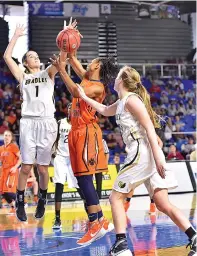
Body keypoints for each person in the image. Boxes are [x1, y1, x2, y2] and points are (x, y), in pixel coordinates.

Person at [76, 66, 197, 256]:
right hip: (146, 153)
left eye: (117, 76)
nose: (114, 78)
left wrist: (158, 158)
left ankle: (121, 245)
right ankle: (194, 237)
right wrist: (83, 97)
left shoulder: (132, 100)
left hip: (142, 152)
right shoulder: (122, 101)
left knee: (115, 197)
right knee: (162, 204)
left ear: (122, 81)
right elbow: (105, 110)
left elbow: (149, 128)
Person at [50, 32, 118, 245]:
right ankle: (100, 221)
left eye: (94, 61)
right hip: (76, 131)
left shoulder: (97, 87)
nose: (90, 63)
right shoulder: (88, 78)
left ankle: (96, 222)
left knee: (84, 178)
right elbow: (72, 57)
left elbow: (75, 91)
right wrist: (70, 37)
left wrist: (61, 69)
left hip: (87, 133)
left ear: (98, 67)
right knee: (82, 178)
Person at [3, 24, 60, 221]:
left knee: (43, 169)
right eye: (31, 56)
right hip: (28, 123)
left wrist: (66, 38)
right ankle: (20, 202)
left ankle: (42, 199)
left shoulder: (48, 73)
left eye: (37, 56)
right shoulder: (23, 76)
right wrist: (16, 37)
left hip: (47, 123)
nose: (36, 57)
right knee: (26, 167)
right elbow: (7, 57)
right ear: (26, 63)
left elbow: (62, 59)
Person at [52, 104, 80, 229]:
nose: (70, 110)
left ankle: (92, 216)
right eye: (69, 108)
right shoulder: (60, 123)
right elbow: (54, 138)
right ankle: (57, 218)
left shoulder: (78, 124)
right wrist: (52, 151)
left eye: (73, 108)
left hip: (73, 159)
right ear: (67, 110)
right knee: (59, 185)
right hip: (60, 158)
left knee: (80, 186)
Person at [0, 130, 21, 214]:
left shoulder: (13, 147)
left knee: (9, 191)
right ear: (3, 136)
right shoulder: (1, 148)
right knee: (3, 193)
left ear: (11, 137)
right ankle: (13, 207)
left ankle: (22, 202)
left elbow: (21, 158)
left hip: (11, 171)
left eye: (9, 135)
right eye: (5, 135)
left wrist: (15, 167)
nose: (7, 137)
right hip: (3, 172)